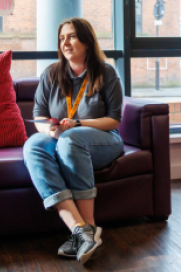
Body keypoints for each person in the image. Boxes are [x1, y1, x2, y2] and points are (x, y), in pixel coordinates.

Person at [23, 17, 124, 265]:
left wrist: (78, 124)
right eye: (61, 38)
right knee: (33, 145)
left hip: (104, 140)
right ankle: (81, 231)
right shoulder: (51, 74)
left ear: (87, 42)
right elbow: (39, 118)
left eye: (72, 36)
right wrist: (51, 131)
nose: (65, 42)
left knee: (70, 141)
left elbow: (114, 121)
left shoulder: (106, 72)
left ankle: (88, 226)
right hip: (62, 137)